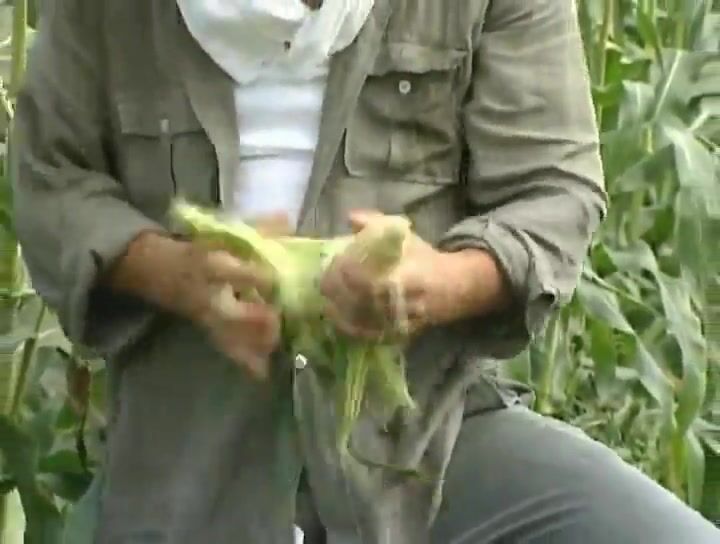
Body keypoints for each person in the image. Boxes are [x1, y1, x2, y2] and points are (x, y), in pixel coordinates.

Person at [12, 0, 720, 543]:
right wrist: (174, 273)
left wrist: (435, 284)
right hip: (189, 451)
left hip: (423, 436)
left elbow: (553, 190)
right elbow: (52, 177)